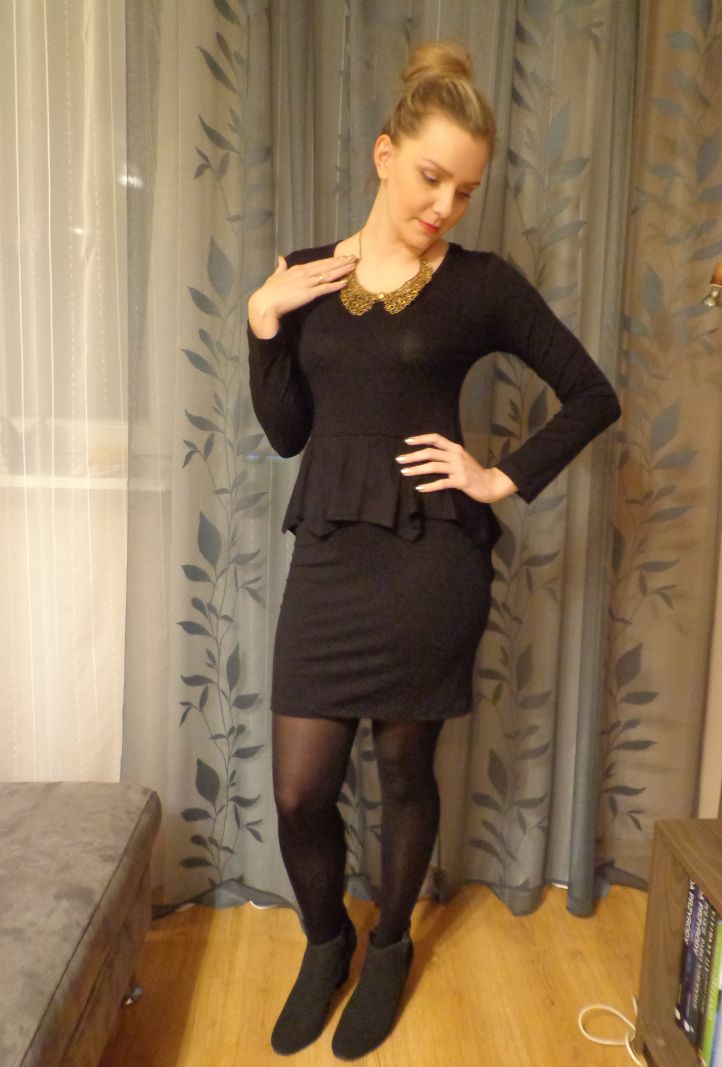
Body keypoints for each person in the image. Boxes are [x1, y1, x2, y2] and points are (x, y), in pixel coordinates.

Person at [247, 40, 621, 1061]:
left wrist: (500, 475)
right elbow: (287, 432)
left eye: (464, 190)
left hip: (429, 563)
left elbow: (592, 394)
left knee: (405, 766)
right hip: (331, 553)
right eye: (429, 177)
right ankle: (326, 942)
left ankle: (390, 944)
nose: (444, 205)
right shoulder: (307, 273)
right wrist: (263, 321)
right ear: (384, 155)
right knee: (299, 790)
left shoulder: (480, 285)